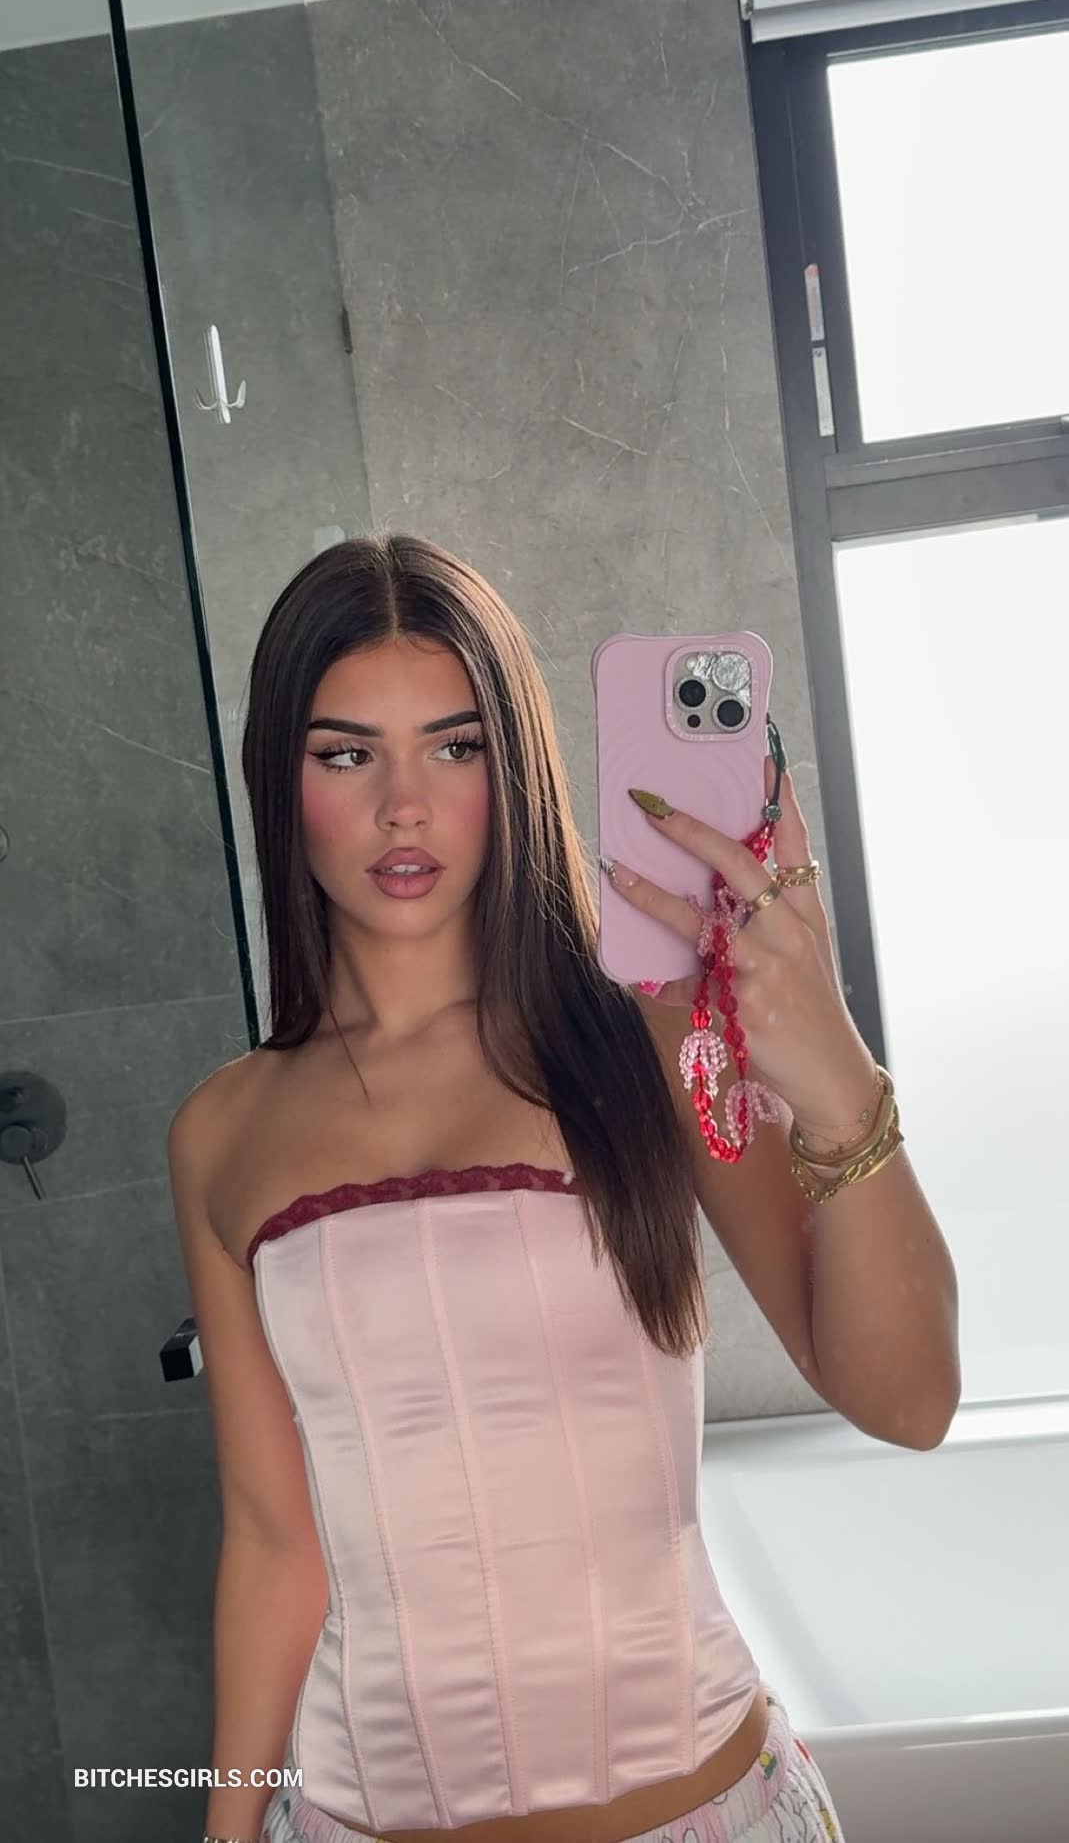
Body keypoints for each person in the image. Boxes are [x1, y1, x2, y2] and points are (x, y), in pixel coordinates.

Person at [168, 533, 959, 1843]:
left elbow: (908, 1401)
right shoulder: (222, 1131)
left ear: (514, 768)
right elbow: (270, 1542)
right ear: (280, 779)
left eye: (455, 747)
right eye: (346, 754)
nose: (404, 806)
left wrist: (836, 1080)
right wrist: (225, 1829)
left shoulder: (649, 1041)